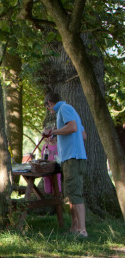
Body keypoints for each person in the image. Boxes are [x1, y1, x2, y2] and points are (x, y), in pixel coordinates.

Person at [43, 93, 88, 237]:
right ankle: (75, 227)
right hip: (73, 158)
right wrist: (56, 137)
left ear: (50, 103)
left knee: (75, 194)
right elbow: (83, 135)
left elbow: (73, 128)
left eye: (48, 108)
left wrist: (53, 131)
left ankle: (82, 230)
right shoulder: (70, 110)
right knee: (70, 194)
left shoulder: (64, 109)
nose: (50, 111)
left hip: (72, 158)